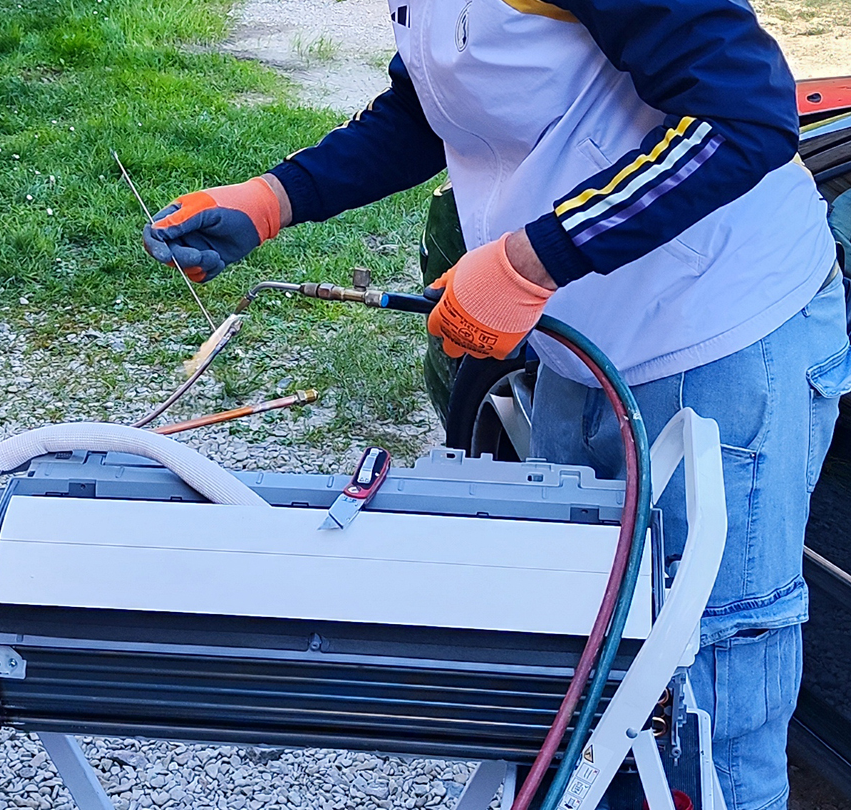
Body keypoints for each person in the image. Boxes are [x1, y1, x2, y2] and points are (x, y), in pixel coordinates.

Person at [142, 2, 850, 808]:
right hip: (585, 343)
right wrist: (276, 196)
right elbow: (436, 103)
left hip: (719, 323)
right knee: (582, 666)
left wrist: (529, 261)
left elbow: (744, 117)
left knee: (702, 701)